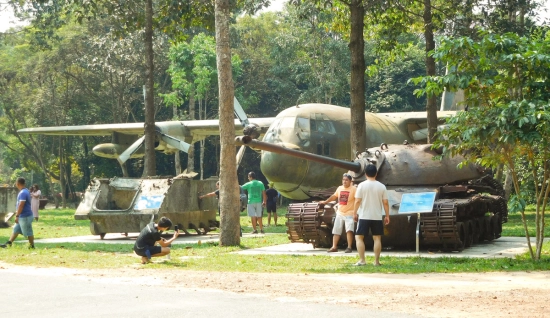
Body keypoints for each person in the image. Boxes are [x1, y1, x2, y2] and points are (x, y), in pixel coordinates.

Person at [353, 164, 390, 266]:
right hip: (377, 216)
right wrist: (387, 215)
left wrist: (354, 213)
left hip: (364, 215)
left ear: (365, 174)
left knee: (359, 237)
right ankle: (376, 262)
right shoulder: (382, 186)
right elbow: (385, 202)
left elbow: (357, 201)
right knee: (377, 238)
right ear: (376, 174)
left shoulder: (361, 185)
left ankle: (362, 260)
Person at [320, 173, 357, 253]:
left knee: (349, 230)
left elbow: (357, 200)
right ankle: (334, 247)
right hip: (340, 212)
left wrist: (355, 212)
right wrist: (326, 202)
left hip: (350, 213)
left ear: (350, 181)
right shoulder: (340, 188)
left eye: (346, 180)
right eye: (343, 180)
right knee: (336, 230)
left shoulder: (354, 189)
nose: (344, 181)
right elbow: (334, 196)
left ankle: (349, 247)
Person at [1, 177, 35, 249]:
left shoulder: (23, 193)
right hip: (24, 215)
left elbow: (21, 205)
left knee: (28, 231)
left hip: (25, 216)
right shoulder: (26, 191)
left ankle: (32, 246)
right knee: (16, 229)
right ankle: (9, 243)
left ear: (18, 184)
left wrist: (17, 216)